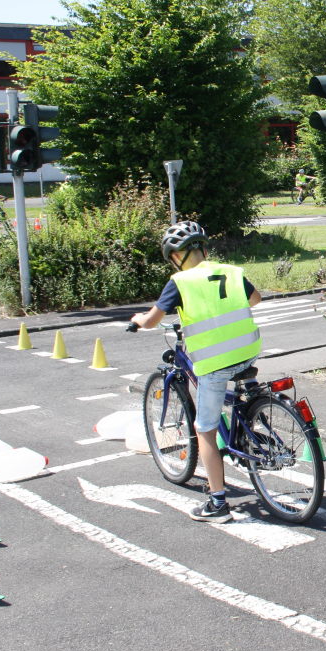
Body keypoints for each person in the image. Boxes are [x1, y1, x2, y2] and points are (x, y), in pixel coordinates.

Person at [130, 221, 263, 523]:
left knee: (205, 430)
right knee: (240, 380)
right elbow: (255, 299)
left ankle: (217, 503)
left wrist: (138, 319)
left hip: (214, 362)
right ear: (203, 249)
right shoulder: (230, 271)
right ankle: (253, 415)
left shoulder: (180, 282)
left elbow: (152, 320)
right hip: (248, 350)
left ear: (175, 257)